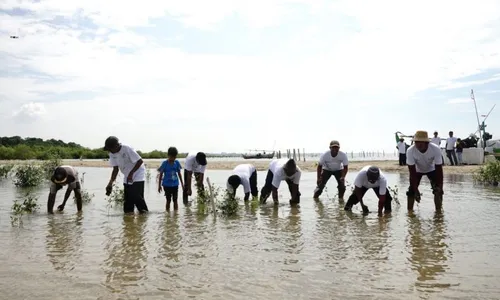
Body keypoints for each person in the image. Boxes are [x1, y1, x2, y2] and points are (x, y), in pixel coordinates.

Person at [104, 136, 149, 214]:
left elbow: (140, 161)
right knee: (128, 199)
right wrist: (110, 183)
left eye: (110, 149)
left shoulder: (127, 149)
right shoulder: (112, 154)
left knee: (137, 197)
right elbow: (115, 169)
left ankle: (144, 214)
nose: (110, 151)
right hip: (127, 175)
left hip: (138, 173)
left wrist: (131, 174)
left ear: (116, 146)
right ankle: (128, 220)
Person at [406, 130, 444, 211]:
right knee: (411, 191)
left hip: (432, 169)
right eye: (416, 142)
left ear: (426, 143)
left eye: (421, 142)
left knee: (438, 191)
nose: (418, 144)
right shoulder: (410, 151)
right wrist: (415, 190)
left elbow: (439, 170)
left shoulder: (435, 149)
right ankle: (410, 213)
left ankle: (439, 213)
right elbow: (412, 172)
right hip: (417, 171)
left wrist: (440, 187)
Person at [158, 147, 184, 211]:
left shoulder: (177, 163)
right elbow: (161, 174)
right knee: (168, 200)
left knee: (175, 200)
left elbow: (179, 174)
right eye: (172, 157)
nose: (173, 159)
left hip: (175, 185)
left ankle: (176, 215)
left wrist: (182, 184)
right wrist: (159, 186)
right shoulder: (165, 163)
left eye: (175, 157)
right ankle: (167, 215)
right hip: (166, 185)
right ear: (168, 155)